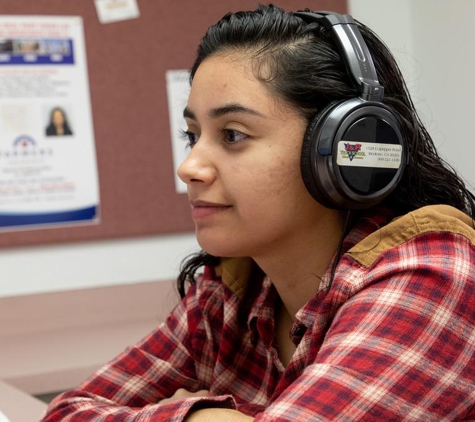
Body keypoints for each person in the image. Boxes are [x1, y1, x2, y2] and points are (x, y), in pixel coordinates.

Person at [41, 4, 475, 421]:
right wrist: (203, 418)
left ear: (343, 150)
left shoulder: (433, 277)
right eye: (193, 136)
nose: (188, 167)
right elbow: (66, 413)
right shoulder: (230, 290)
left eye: (232, 134)